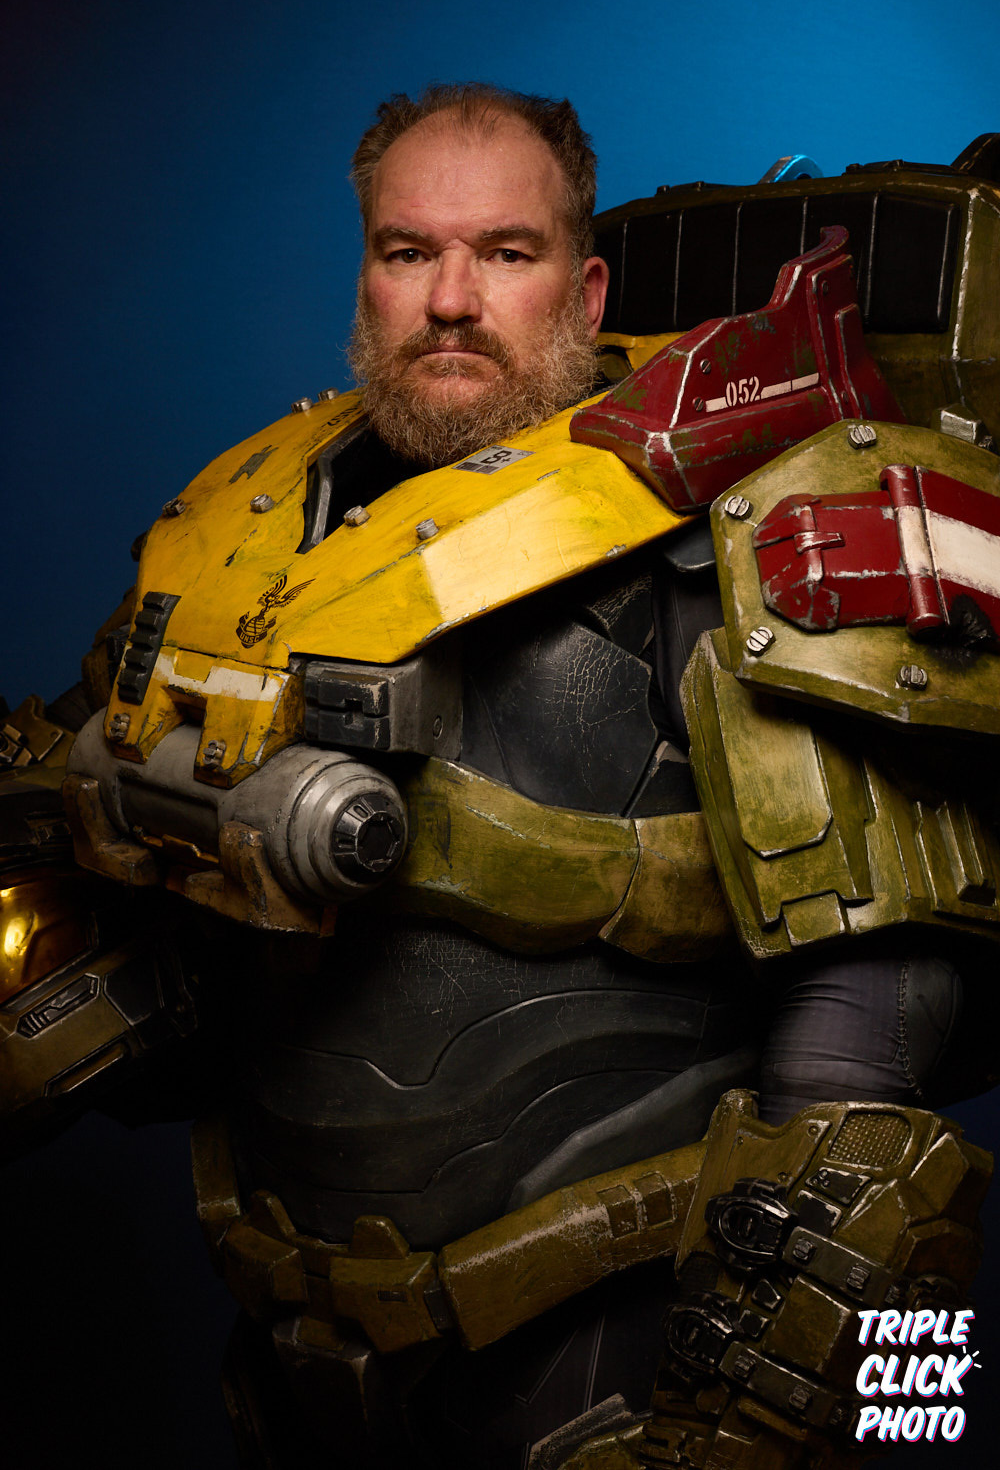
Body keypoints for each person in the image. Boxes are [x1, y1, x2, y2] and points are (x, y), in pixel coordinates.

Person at [2, 84, 996, 1469]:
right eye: (409, 251)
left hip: (623, 1364)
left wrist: (758, 1425)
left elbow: (875, 1030)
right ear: (366, 273)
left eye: (506, 253)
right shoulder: (246, 522)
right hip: (288, 1347)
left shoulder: (735, 533)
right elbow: (72, 845)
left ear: (584, 291)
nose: (452, 300)